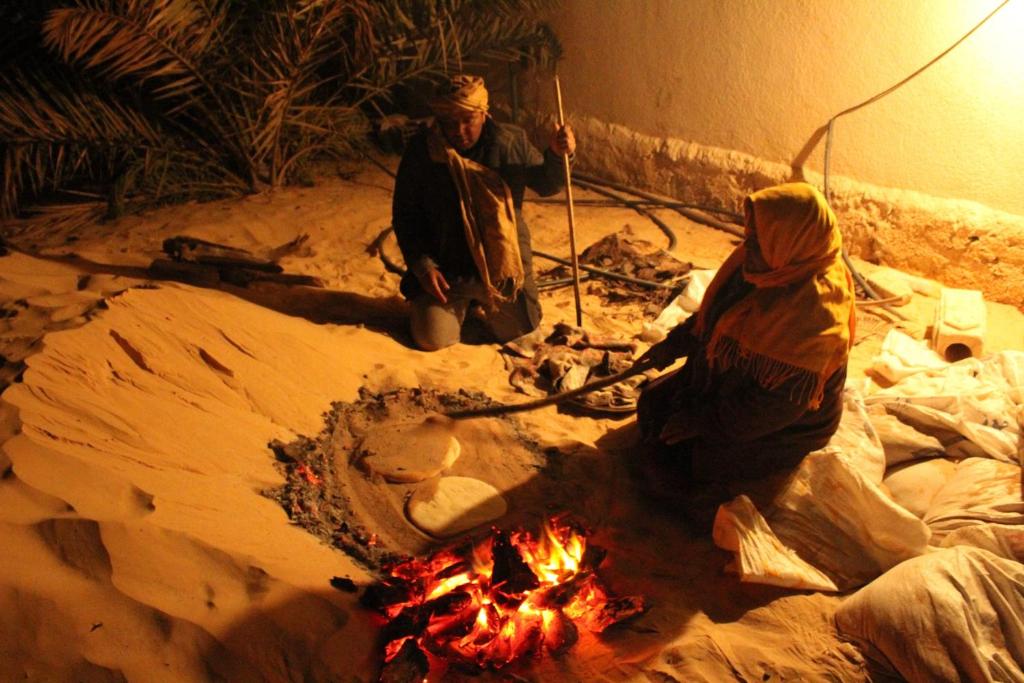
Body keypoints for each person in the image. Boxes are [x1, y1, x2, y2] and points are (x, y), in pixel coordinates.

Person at [635, 182, 855, 516]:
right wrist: (674, 344)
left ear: (790, 241)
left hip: (785, 421)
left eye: (758, 238)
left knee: (693, 459)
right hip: (736, 379)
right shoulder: (764, 264)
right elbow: (714, 319)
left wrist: (704, 421)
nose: (746, 244)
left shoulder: (816, 313)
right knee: (652, 404)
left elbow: (779, 406)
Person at [392, 74, 576, 351]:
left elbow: (546, 183)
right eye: (451, 123)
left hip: (500, 265)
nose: (460, 130)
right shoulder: (423, 151)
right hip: (448, 268)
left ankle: (482, 301)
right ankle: (459, 305)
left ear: (483, 114)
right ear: (439, 120)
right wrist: (423, 266)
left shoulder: (510, 141)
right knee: (431, 339)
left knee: (522, 332)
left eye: (468, 121)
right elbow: (406, 216)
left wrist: (558, 154)